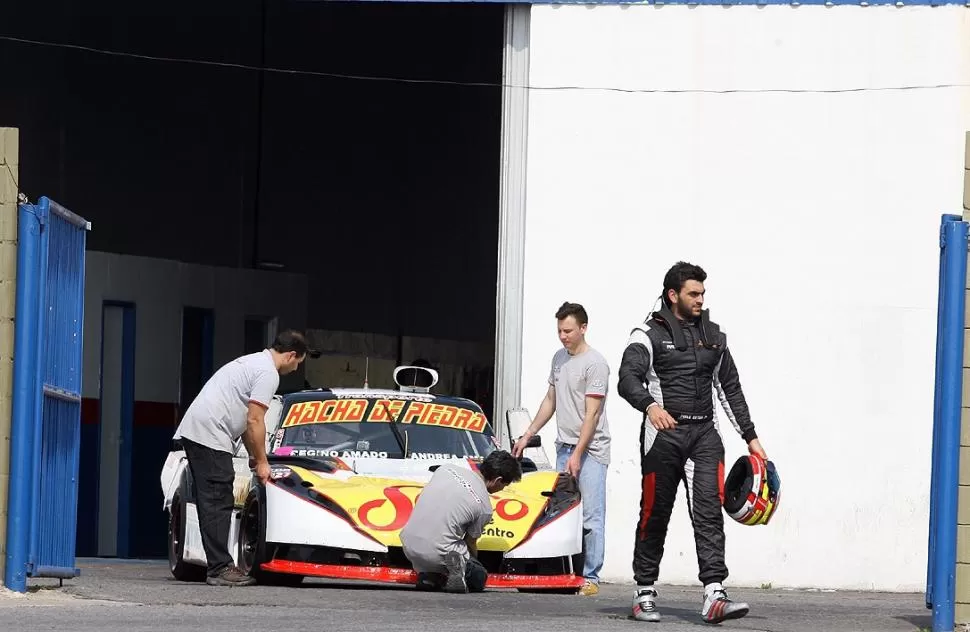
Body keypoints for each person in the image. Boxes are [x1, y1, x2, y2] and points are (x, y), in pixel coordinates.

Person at [617, 262, 767, 624]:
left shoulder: (715, 335)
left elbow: (730, 388)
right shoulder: (646, 334)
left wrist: (751, 438)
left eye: (703, 293)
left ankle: (714, 594)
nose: (700, 299)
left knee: (708, 514)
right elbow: (627, 378)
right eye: (693, 294)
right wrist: (650, 406)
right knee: (655, 514)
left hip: (704, 437)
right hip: (663, 438)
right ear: (673, 295)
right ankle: (644, 592)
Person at [172, 329, 310, 586]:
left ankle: (218, 565)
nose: (295, 369)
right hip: (210, 432)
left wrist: (254, 457)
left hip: (203, 429)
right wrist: (263, 462)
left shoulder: (254, 362)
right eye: (297, 363)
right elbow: (255, 419)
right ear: (291, 355)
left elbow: (247, 423)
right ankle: (219, 569)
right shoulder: (268, 374)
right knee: (217, 496)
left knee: (215, 496)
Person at [511, 301, 610, 597]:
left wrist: (578, 454)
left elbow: (592, 414)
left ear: (583, 328)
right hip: (563, 448)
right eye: (559, 331)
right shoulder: (558, 358)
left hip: (590, 452)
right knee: (561, 515)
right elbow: (550, 401)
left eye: (568, 331)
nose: (563, 336)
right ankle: (563, 573)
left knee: (591, 517)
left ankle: (591, 577)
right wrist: (528, 434)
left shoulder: (596, 364)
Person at [400, 450, 522, 593]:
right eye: (504, 486)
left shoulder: (445, 469)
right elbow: (471, 542)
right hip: (441, 553)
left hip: (408, 547)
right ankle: (460, 570)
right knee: (479, 576)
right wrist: (473, 562)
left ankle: (429, 577)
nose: (501, 489)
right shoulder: (484, 507)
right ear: (498, 480)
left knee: (440, 546)